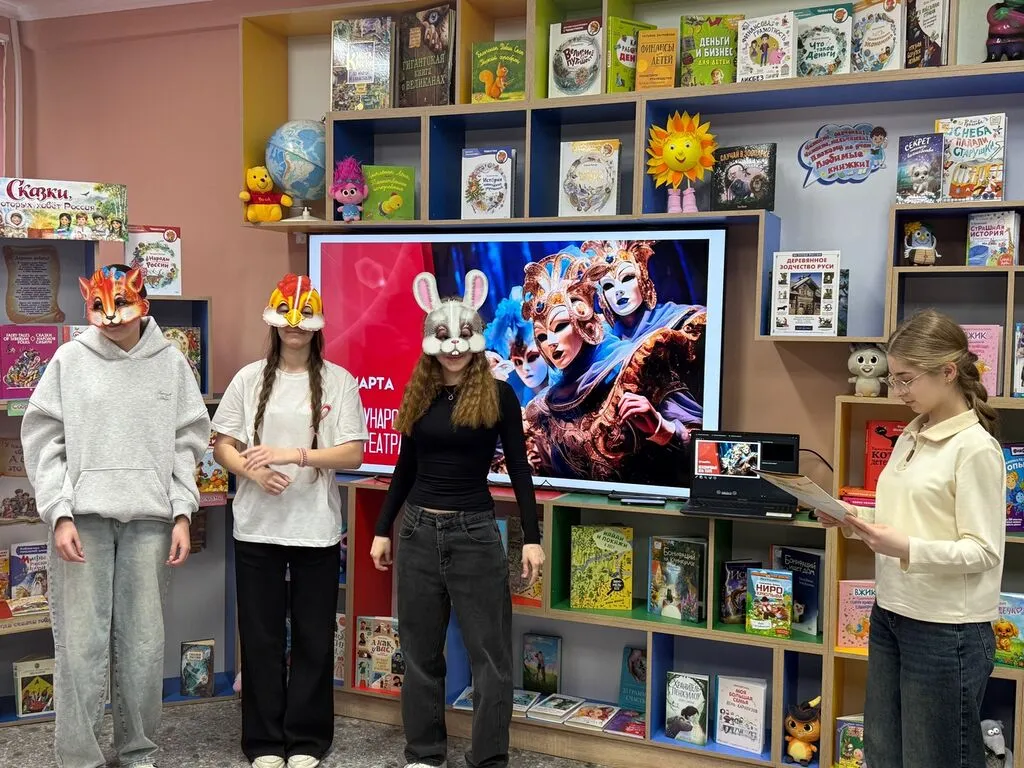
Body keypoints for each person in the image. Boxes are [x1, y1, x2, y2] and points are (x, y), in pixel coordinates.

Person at [21, 264, 210, 768]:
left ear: (143, 301)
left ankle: (139, 752)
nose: (110, 317)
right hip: (82, 521)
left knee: (144, 646)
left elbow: (188, 442)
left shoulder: (171, 362)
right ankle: (79, 758)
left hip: (150, 520)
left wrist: (182, 512)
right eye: (99, 306)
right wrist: (59, 513)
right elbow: (44, 439)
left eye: (121, 303)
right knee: (80, 646)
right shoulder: (69, 360)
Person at [369, 269, 544, 768]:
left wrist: (532, 537)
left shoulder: (499, 395)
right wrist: (382, 528)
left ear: (476, 336)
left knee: (490, 657)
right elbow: (405, 467)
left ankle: (488, 758)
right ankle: (425, 754)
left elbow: (519, 468)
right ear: (430, 339)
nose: (453, 347)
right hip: (418, 533)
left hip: (474, 535)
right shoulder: (420, 393)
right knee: (420, 653)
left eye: (463, 336)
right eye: (443, 336)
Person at [817, 309, 1004, 768]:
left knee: (934, 758)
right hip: (891, 612)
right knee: (882, 751)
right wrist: (849, 517)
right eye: (892, 379)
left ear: (947, 372)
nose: (897, 390)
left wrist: (907, 549)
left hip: (946, 629)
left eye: (905, 379)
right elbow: (907, 516)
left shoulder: (976, 448)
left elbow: (983, 550)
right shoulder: (910, 434)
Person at [212, 273, 368, 768]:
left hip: (315, 529)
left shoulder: (340, 381)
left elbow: (353, 453)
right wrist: (252, 472)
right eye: (286, 316)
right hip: (256, 528)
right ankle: (262, 741)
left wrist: (294, 454)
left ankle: (306, 739)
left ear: (318, 323)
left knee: (312, 636)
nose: (294, 325)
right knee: (259, 638)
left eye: (304, 317)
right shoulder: (248, 379)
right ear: (273, 320)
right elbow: (222, 446)